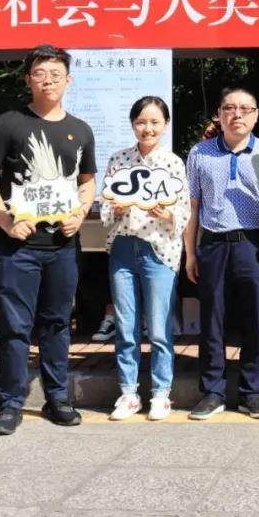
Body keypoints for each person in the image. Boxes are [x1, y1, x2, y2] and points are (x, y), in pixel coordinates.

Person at [0, 45, 96, 436]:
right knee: (14, 327)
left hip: (62, 247)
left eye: (56, 74)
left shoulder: (81, 129)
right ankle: (10, 403)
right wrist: (6, 221)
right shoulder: (8, 124)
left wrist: (79, 213)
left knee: (58, 324)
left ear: (68, 80)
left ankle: (58, 398)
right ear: (28, 79)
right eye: (40, 74)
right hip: (17, 248)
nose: (48, 81)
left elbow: (87, 182)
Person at [183, 86, 259, 420]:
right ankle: (212, 392)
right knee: (212, 320)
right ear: (219, 114)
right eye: (229, 108)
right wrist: (190, 253)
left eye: (245, 108)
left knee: (255, 319)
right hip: (212, 243)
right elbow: (191, 207)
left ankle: (252, 393)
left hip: (253, 244)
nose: (236, 114)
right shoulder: (199, 153)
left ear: (256, 115)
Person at [100, 96, 189, 421]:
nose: (147, 128)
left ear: (165, 125)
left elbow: (184, 210)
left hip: (159, 249)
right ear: (132, 124)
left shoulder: (173, 163)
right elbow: (105, 207)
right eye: (141, 122)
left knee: (159, 327)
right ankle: (128, 393)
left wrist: (168, 214)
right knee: (126, 325)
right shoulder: (119, 159)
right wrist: (115, 209)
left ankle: (161, 394)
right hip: (123, 247)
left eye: (154, 122)